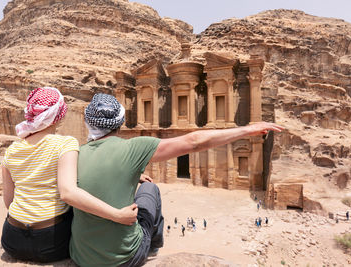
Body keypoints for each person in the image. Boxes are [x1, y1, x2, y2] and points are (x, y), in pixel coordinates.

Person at [69, 93, 284, 267]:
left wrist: (133, 175)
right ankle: (153, 247)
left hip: (81, 257)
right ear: (120, 122)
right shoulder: (133, 148)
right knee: (150, 189)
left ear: (89, 123)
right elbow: (194, 142)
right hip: (124, 257)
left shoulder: (76, 153)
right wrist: (247, 129)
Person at [1, 88, 137, 263]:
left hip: (12, 241)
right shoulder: (65, 144)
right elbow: (69, 193)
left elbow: (8, 202)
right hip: (51, 244)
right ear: (59, 115)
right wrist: (116, 215)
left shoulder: (11, 150)